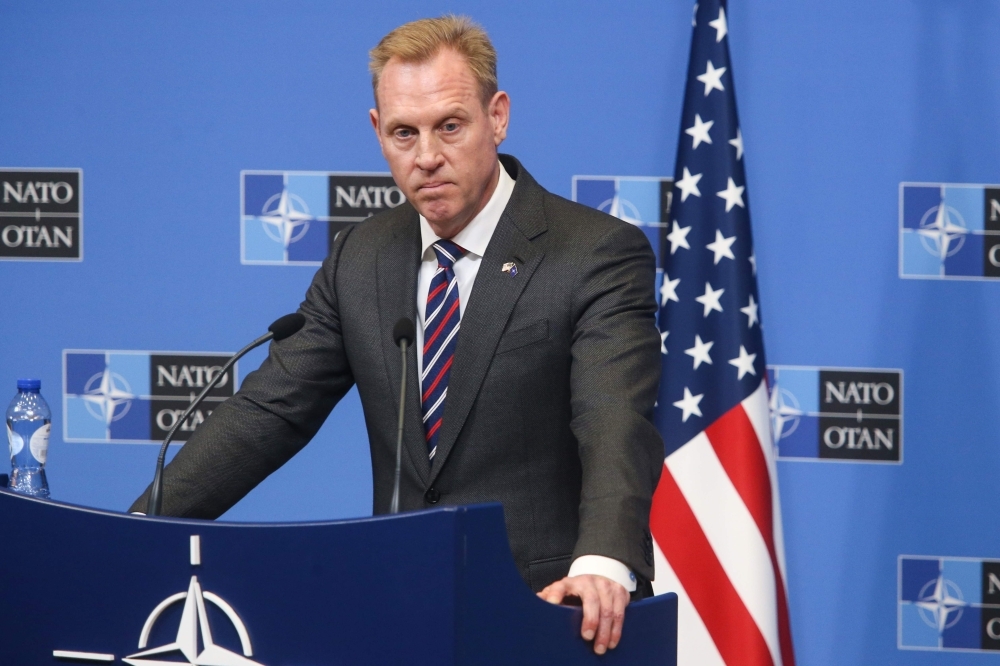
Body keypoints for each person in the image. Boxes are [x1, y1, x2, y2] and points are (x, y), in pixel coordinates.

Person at [131, 15, 663, 656]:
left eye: (450, 126)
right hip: (399, 608)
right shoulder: (362, 256)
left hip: (551, 612)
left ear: (497, 117)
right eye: (404, 133)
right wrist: (137, 534)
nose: (427, 156)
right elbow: (269, 412)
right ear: (378, 131)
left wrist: (603, 562)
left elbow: (614, 421)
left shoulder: (595, 253)